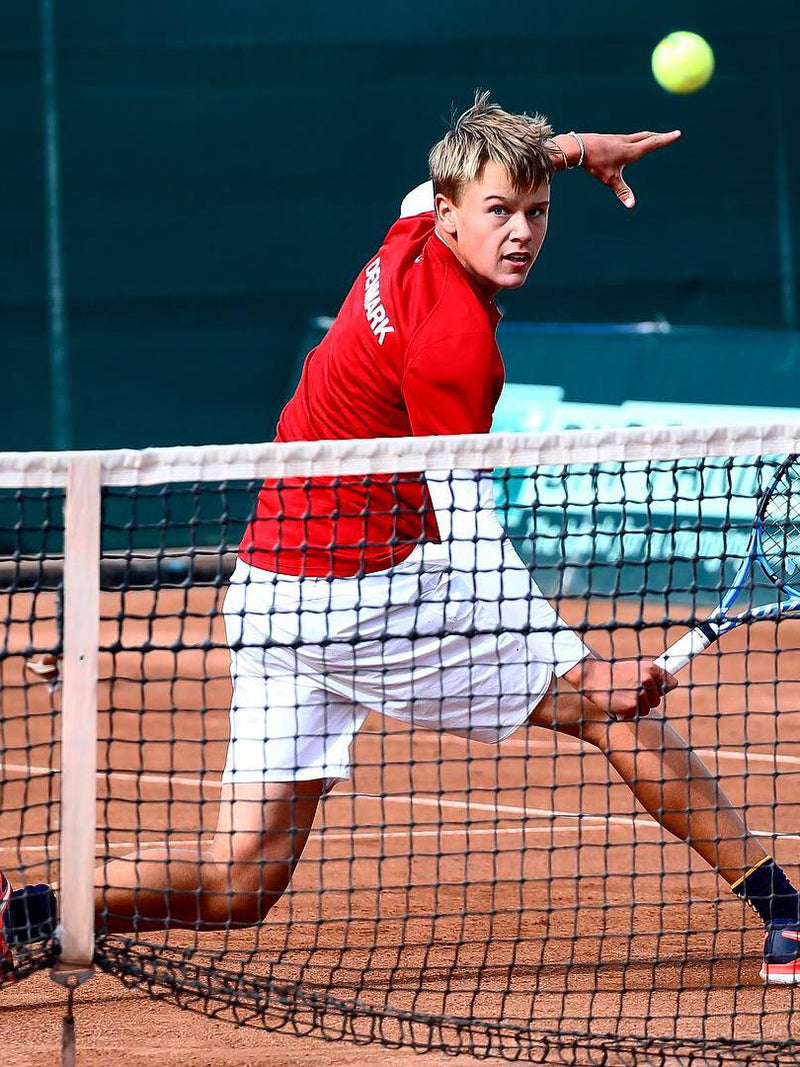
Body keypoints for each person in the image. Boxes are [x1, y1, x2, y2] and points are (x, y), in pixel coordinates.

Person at [3, 91, 799, 986]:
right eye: (499, 213)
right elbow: (468, 531)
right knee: (604, 713)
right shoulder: (456, 348)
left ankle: (25, 912)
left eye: (536, 212)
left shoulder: (411, 228)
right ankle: (788, 914)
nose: (522, 233)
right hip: (368, 600)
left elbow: (472, 179)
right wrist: (580, 665)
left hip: (269, 591)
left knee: (239, 880)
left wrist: (574, 150)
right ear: (453, 212)